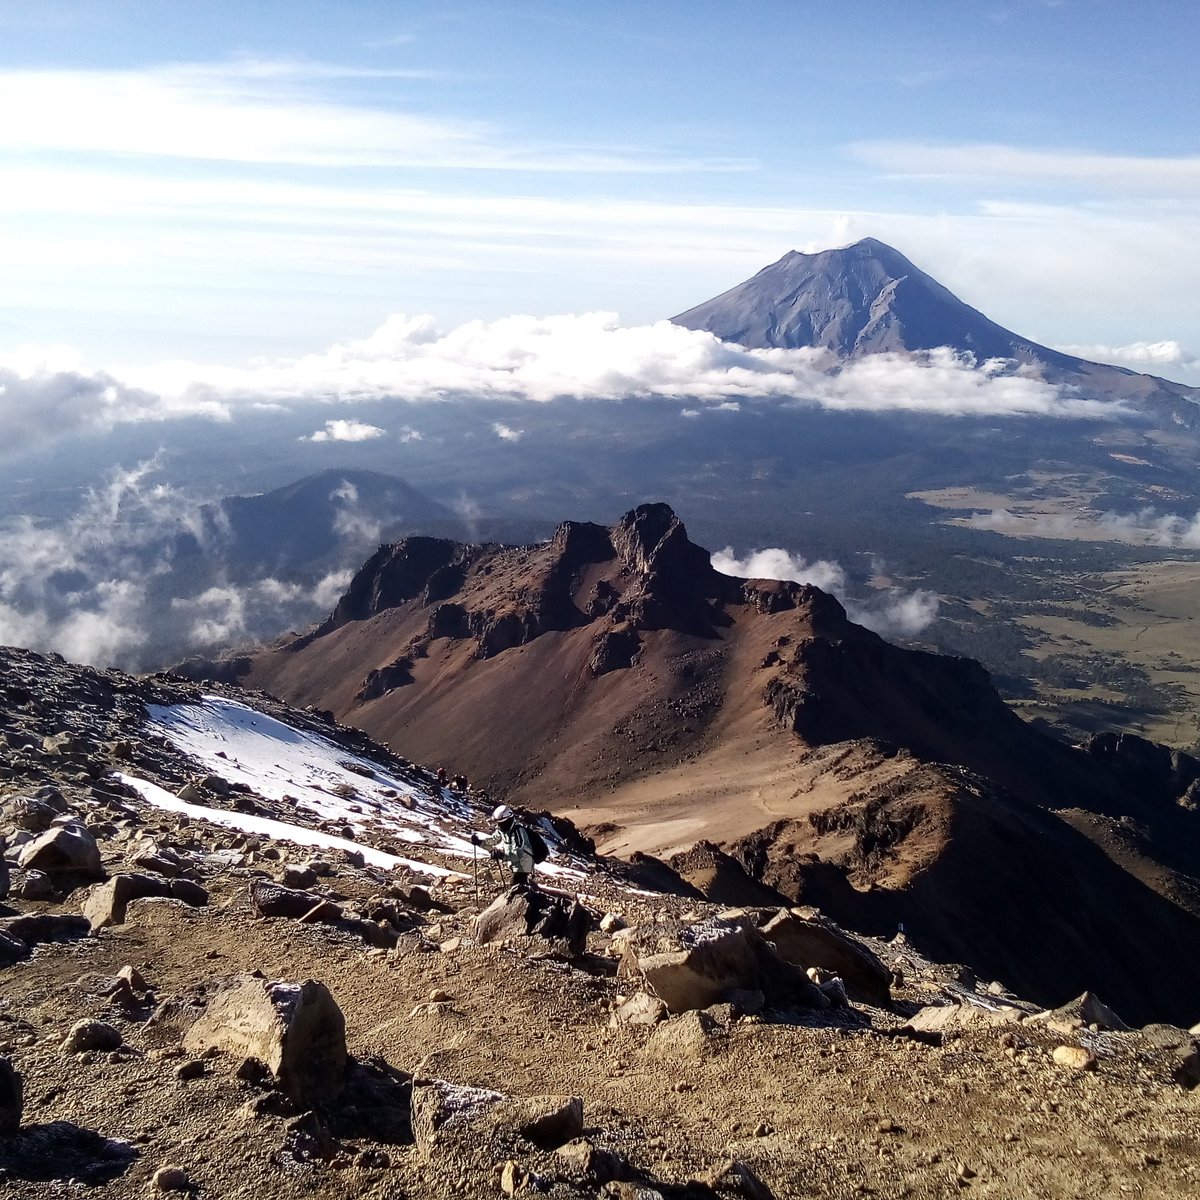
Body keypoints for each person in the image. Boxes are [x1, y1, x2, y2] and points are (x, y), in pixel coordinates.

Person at [471, 803, 536, 891]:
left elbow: (518, 853)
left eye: (501, 823)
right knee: (518, 885)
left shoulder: (518, 832)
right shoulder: (503, 829)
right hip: (515, 863)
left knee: (516, 885)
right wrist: (479, 842)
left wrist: (501, 855)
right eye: (498, 823)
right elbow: (493, 839)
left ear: (508, 820)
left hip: (523, 863)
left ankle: (527, 900)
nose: (499, 826)